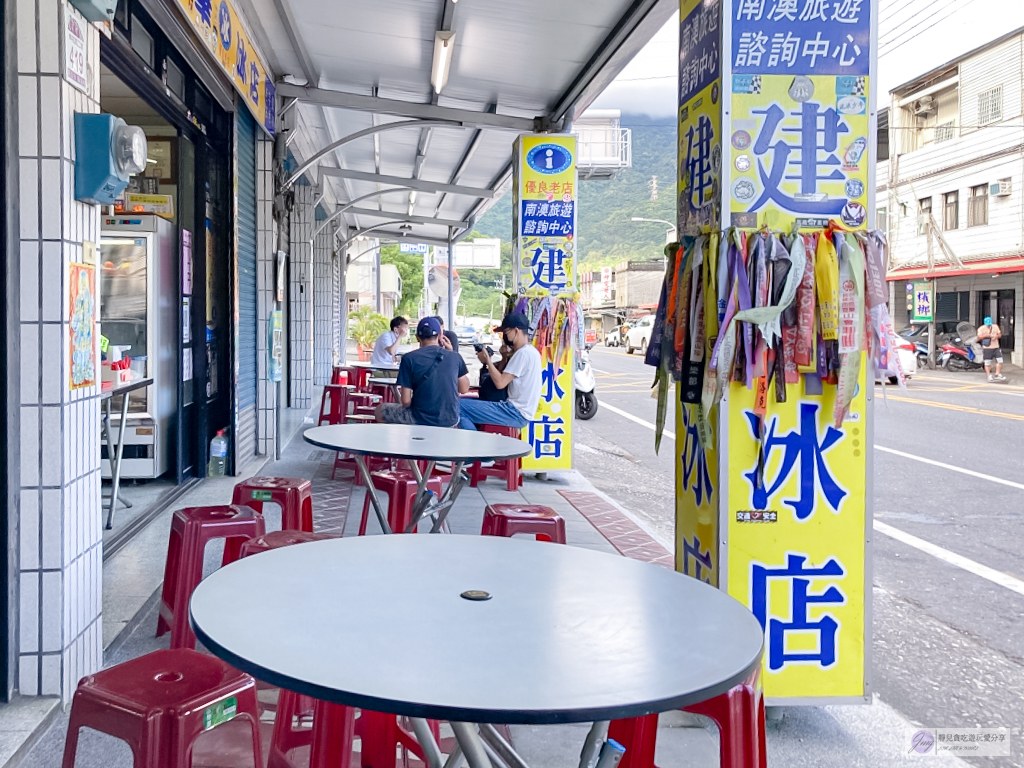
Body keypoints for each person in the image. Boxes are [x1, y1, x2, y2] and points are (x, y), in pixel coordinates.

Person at [376, 317, 469, 427]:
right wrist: (451, 351)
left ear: (417, 337)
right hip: (450, 419)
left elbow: (405, 401)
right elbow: (464, 389)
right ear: (440, 336)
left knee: (379, 410)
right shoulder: (455, 356)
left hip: (418, 418)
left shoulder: (409, 358)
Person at [458, 311, 541, 430]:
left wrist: (487, 359)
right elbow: (503, 374)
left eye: (506, 332)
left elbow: (500, 383)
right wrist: (504, 358)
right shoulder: (531, 352)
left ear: (516, 331)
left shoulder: (523, 354)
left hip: (514, 412)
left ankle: (473, 444)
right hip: (517, 410)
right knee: (464, 405)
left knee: (457, 406)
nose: (504, 336)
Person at [977, 316, 1006, 382]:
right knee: (987, 362)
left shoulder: (995, 326)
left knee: (1000, 360)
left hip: (996, 346)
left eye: (990, 324)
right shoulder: (981, 329)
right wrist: (987, 336)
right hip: (987, 348)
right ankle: (989, 375)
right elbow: (979, 337)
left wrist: (996, 336)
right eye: (987, 325)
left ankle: (997, 374)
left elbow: (999, 334)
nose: (989, 326)